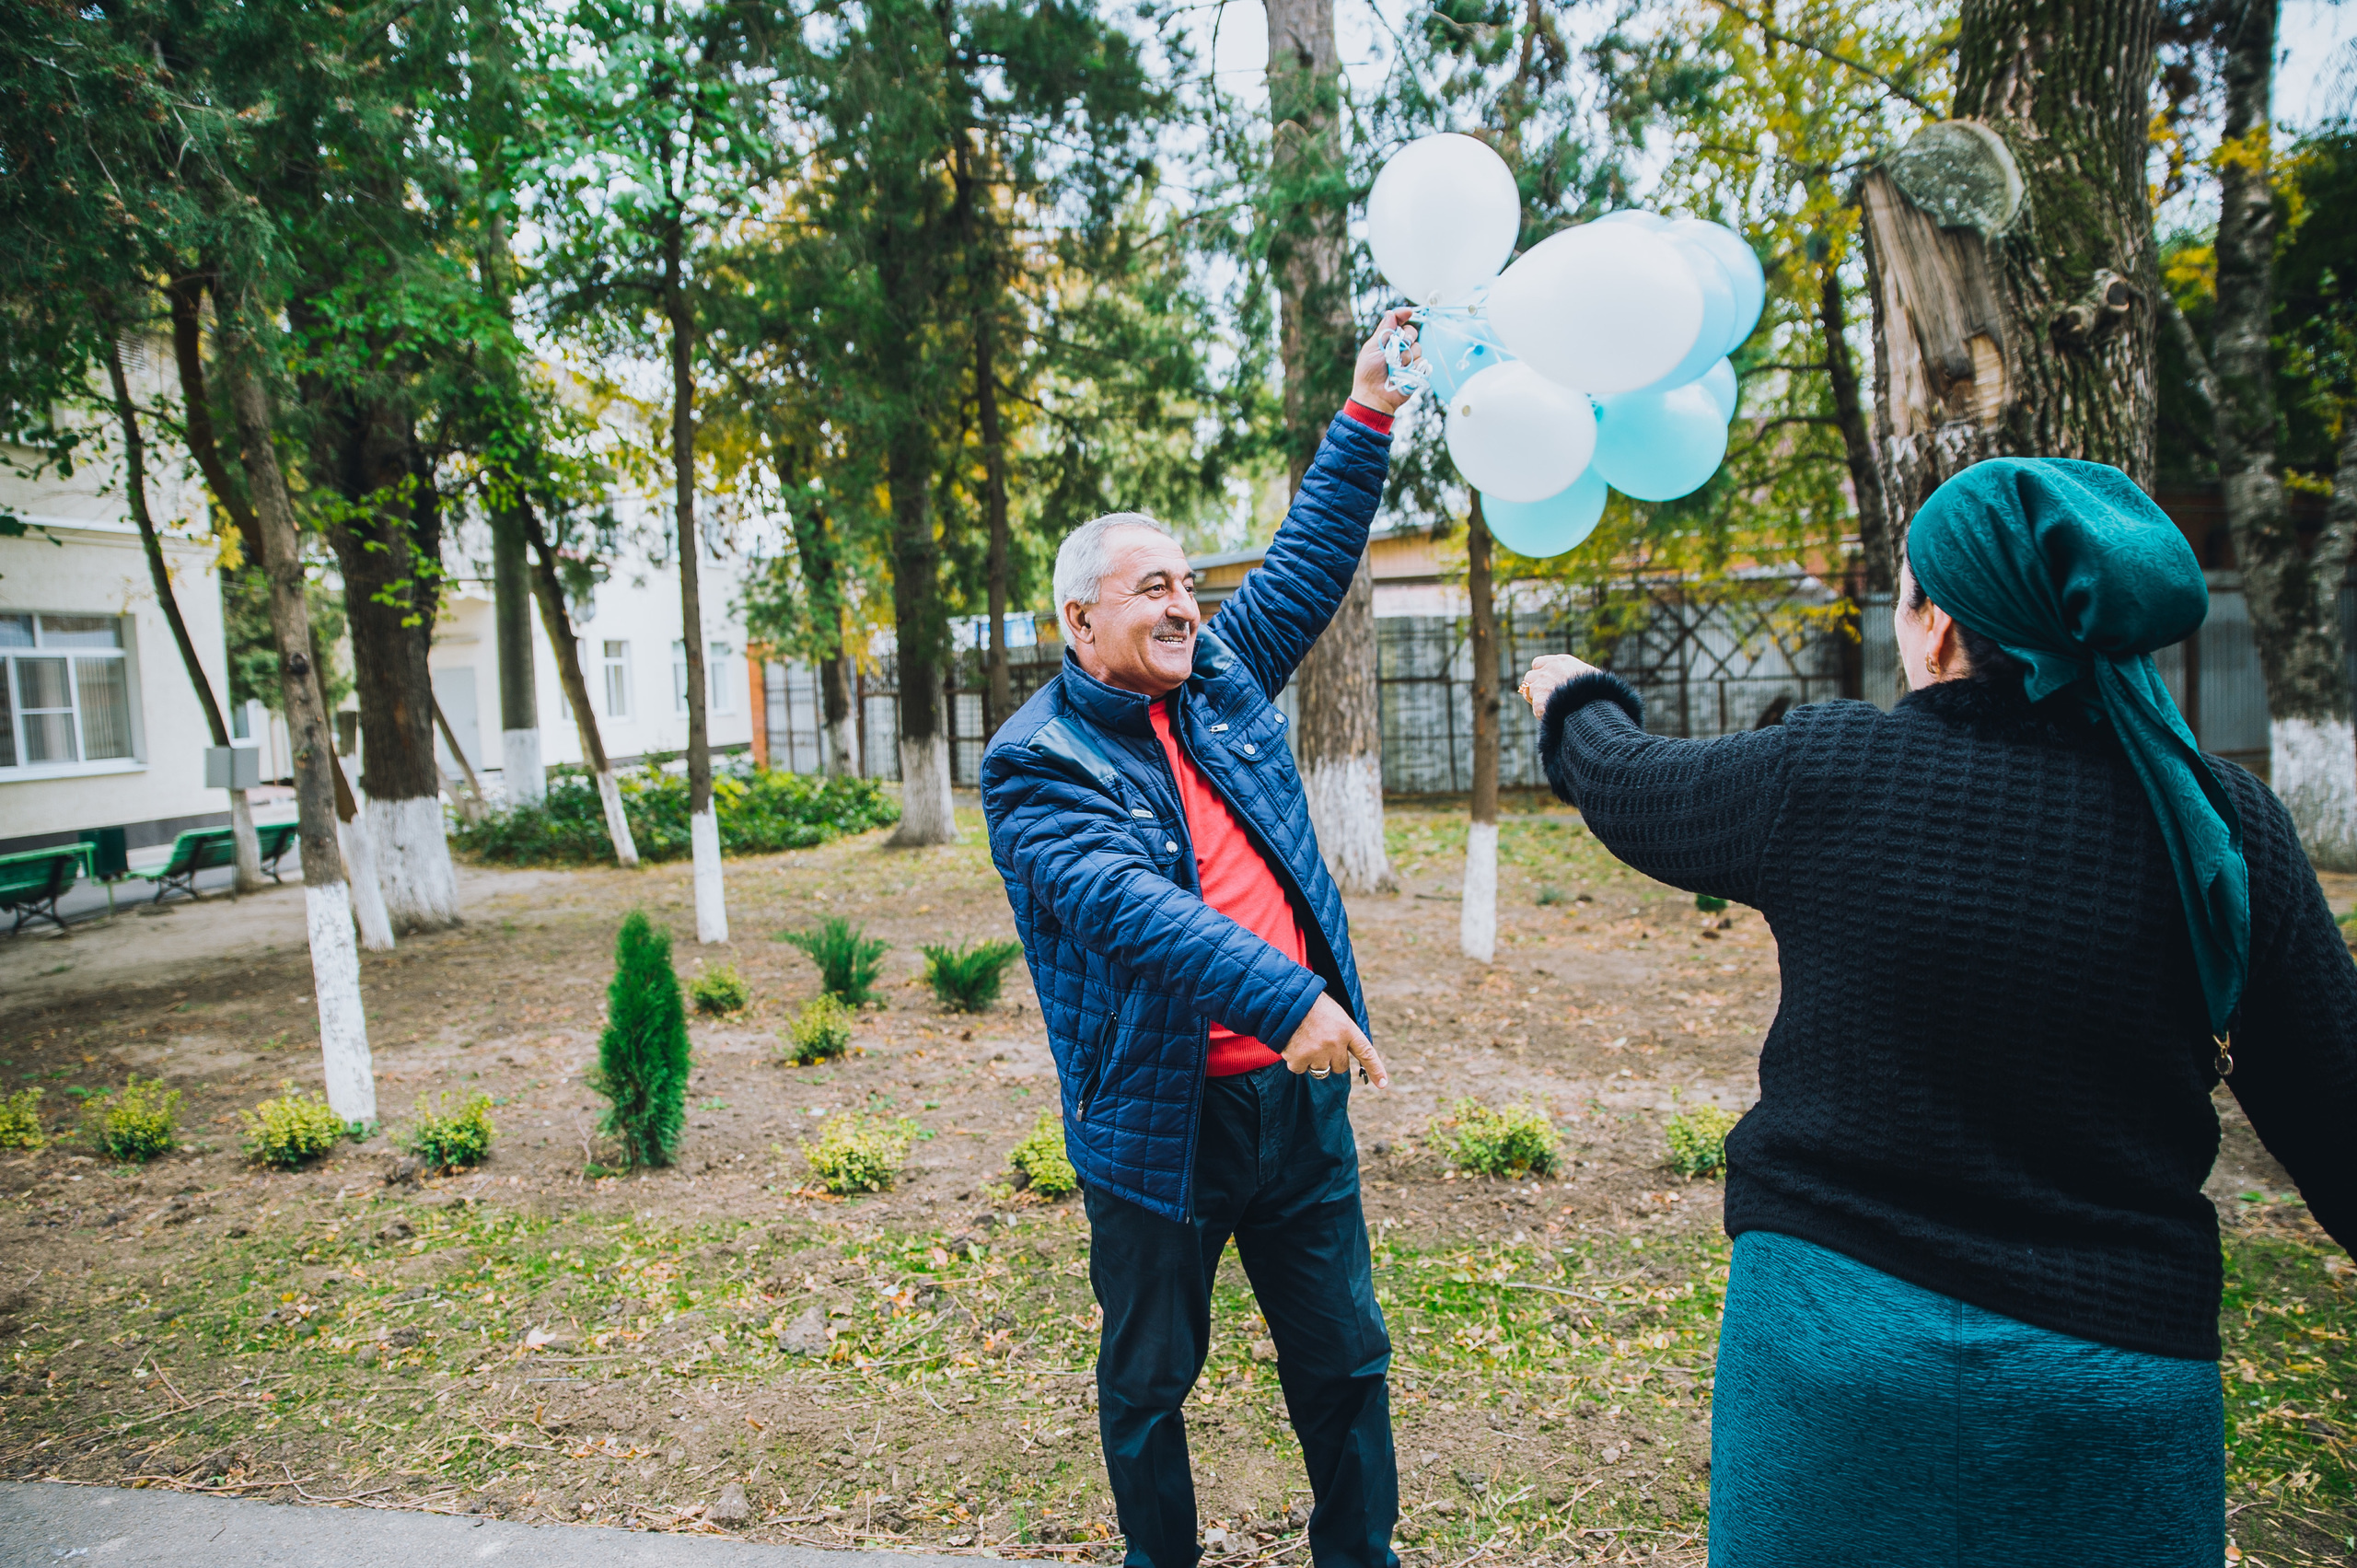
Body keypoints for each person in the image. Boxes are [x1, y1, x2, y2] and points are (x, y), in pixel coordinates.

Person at [1517, 458, 2356, 1565]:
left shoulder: (1830, 768)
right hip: (2112, 1390)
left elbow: (1630, 784)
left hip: (1833, 1360)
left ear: (1940, 625)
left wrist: (1572, 694)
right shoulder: (2223, 825)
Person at [981, 310, 1417, 1568]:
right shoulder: (1034, 763)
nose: (1186, 606)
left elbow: (1306, 561)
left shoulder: (1219, 676)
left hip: (1294, 1105)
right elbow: (1133, 907)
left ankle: (1361, 1557)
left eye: (1187, 583)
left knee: (1345, 1355)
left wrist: (1366, 413)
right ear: (1078, 620)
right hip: (1159, 1123)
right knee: (1150, 1381)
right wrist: (1290, 995)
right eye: (1152, 588)